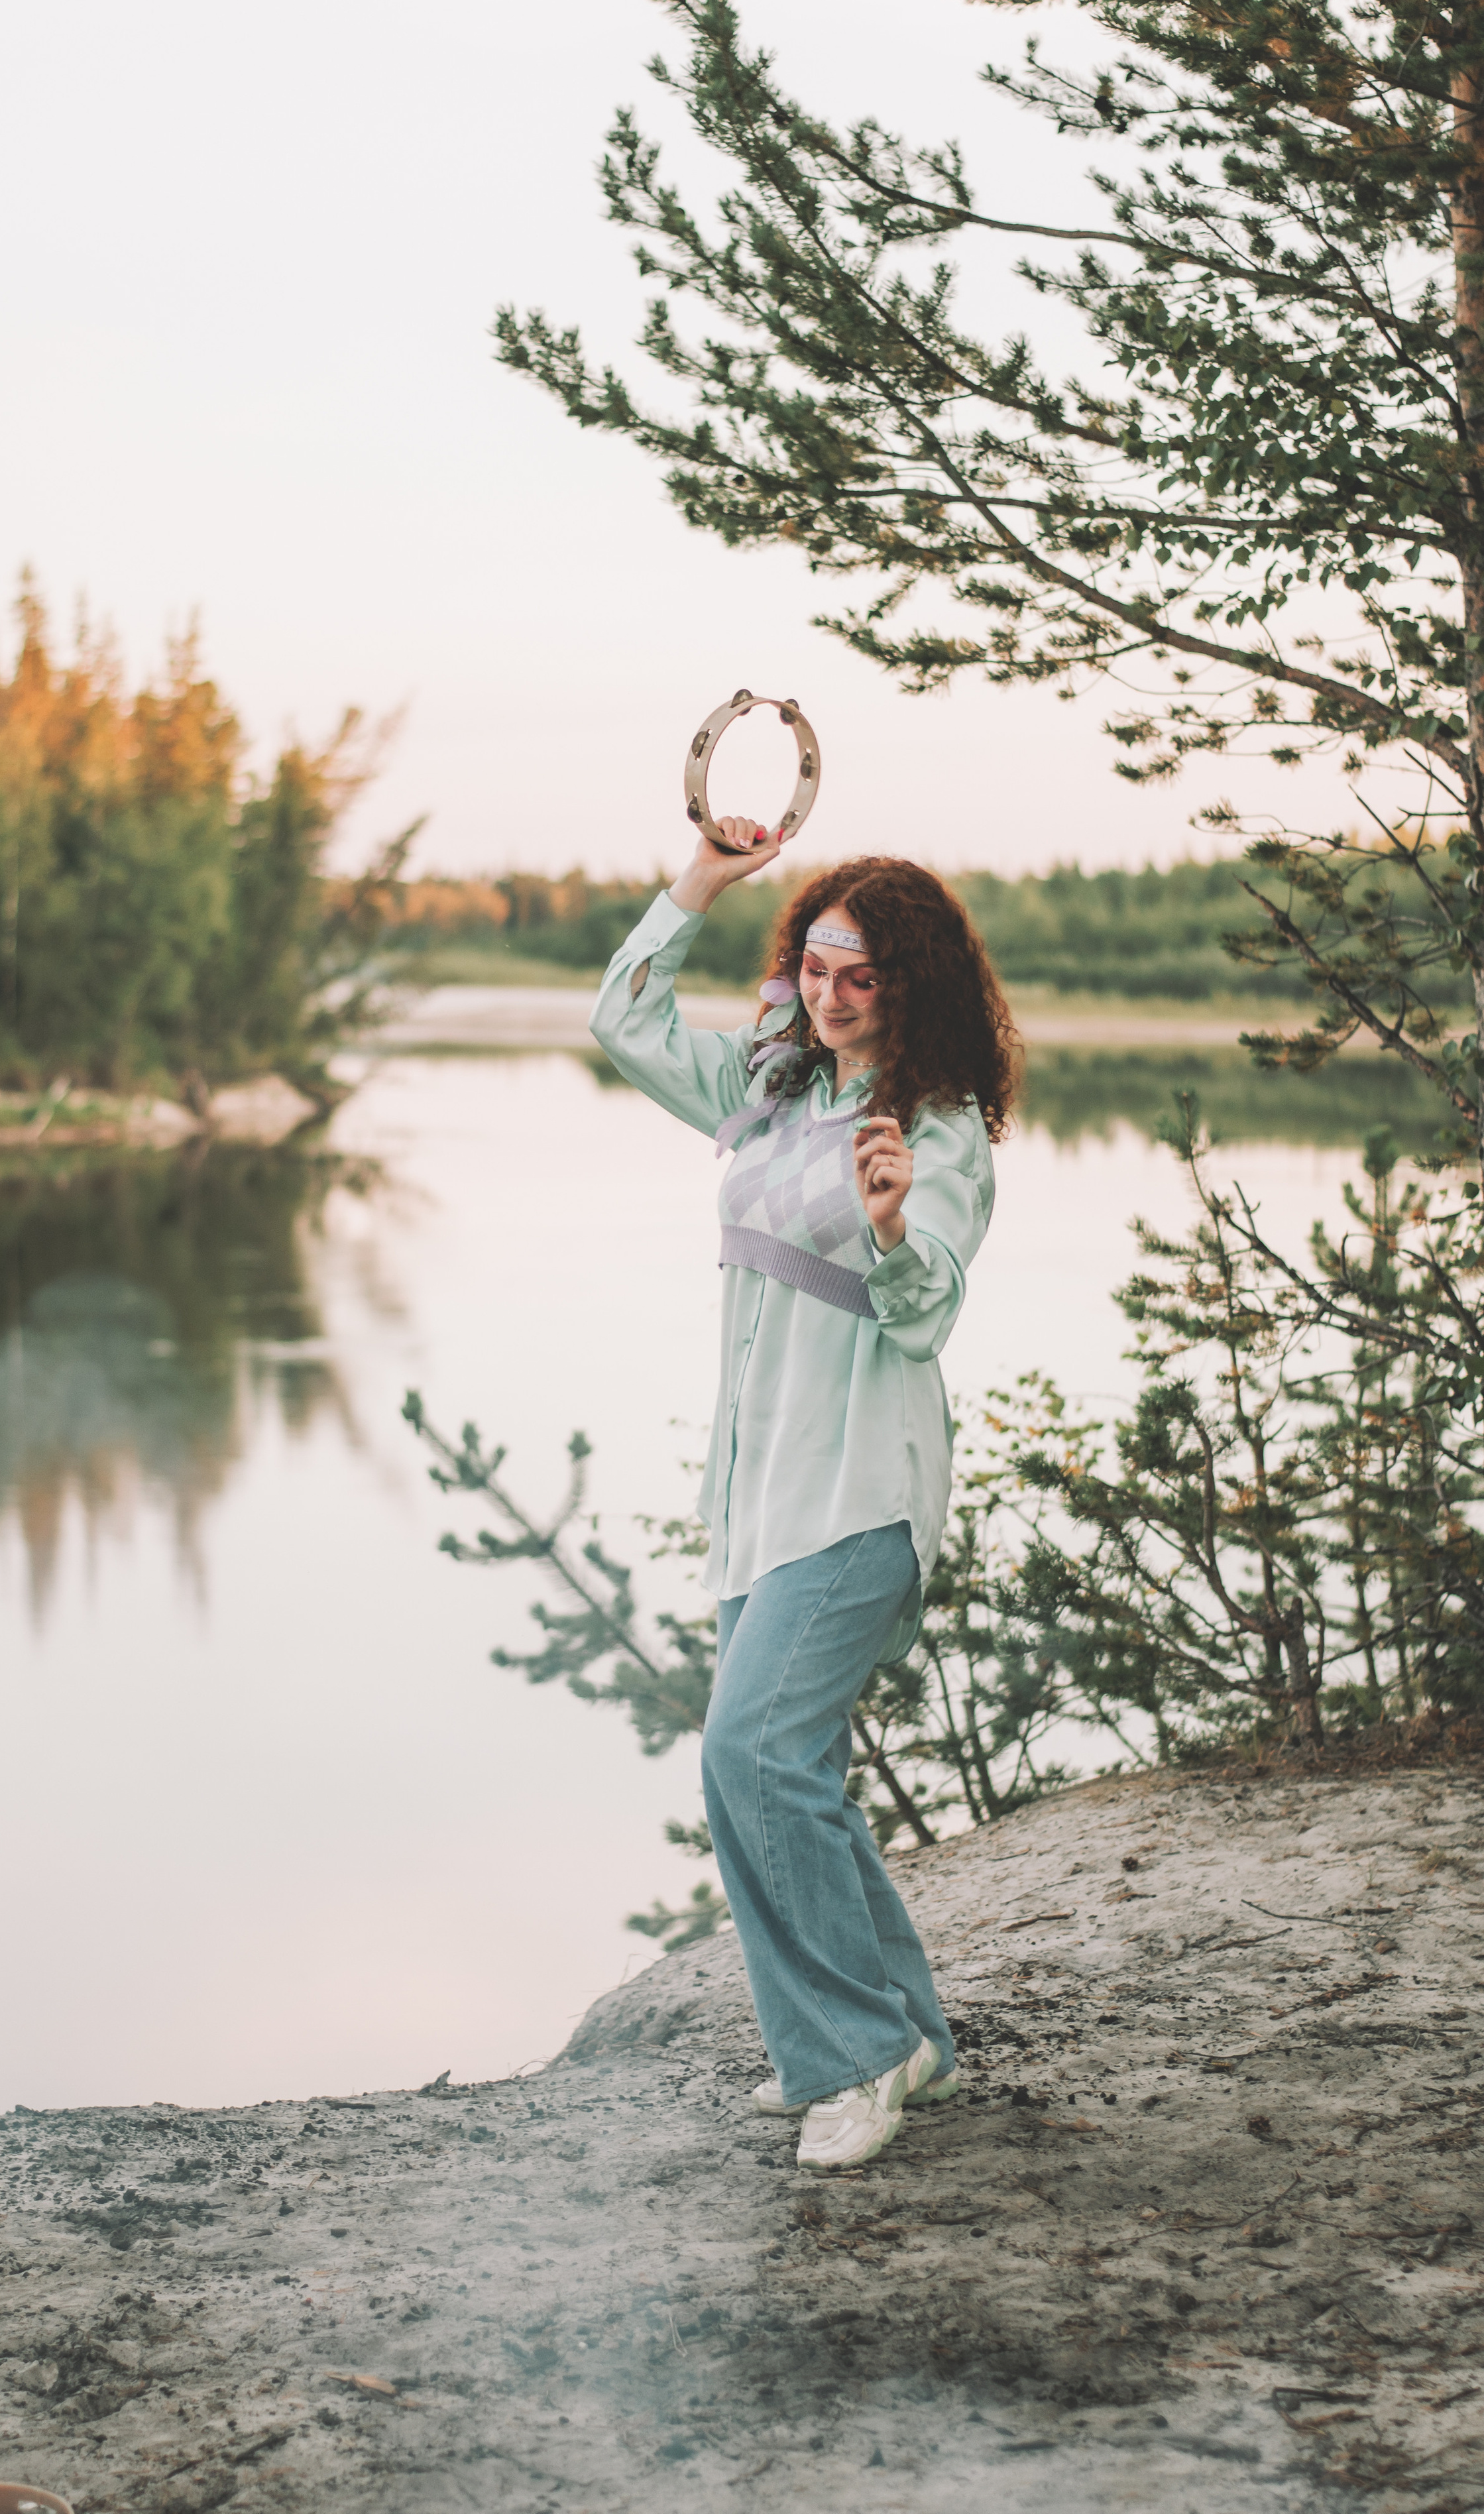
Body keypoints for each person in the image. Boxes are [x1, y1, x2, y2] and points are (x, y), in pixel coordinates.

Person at [591, 814, 1020, 2170]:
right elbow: (622, 1019)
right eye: (817, 968)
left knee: (750, 1758)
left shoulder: (936, 1135)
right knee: (783, 1776)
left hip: (856, 1497)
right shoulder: (770, 1089)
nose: (831, 998)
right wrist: (696, 886)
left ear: (911, 991)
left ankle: (849, 2062)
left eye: (862, 979)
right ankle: (909, 2038)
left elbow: (925, 1313)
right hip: (759, 1499)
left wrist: (891, 1228)